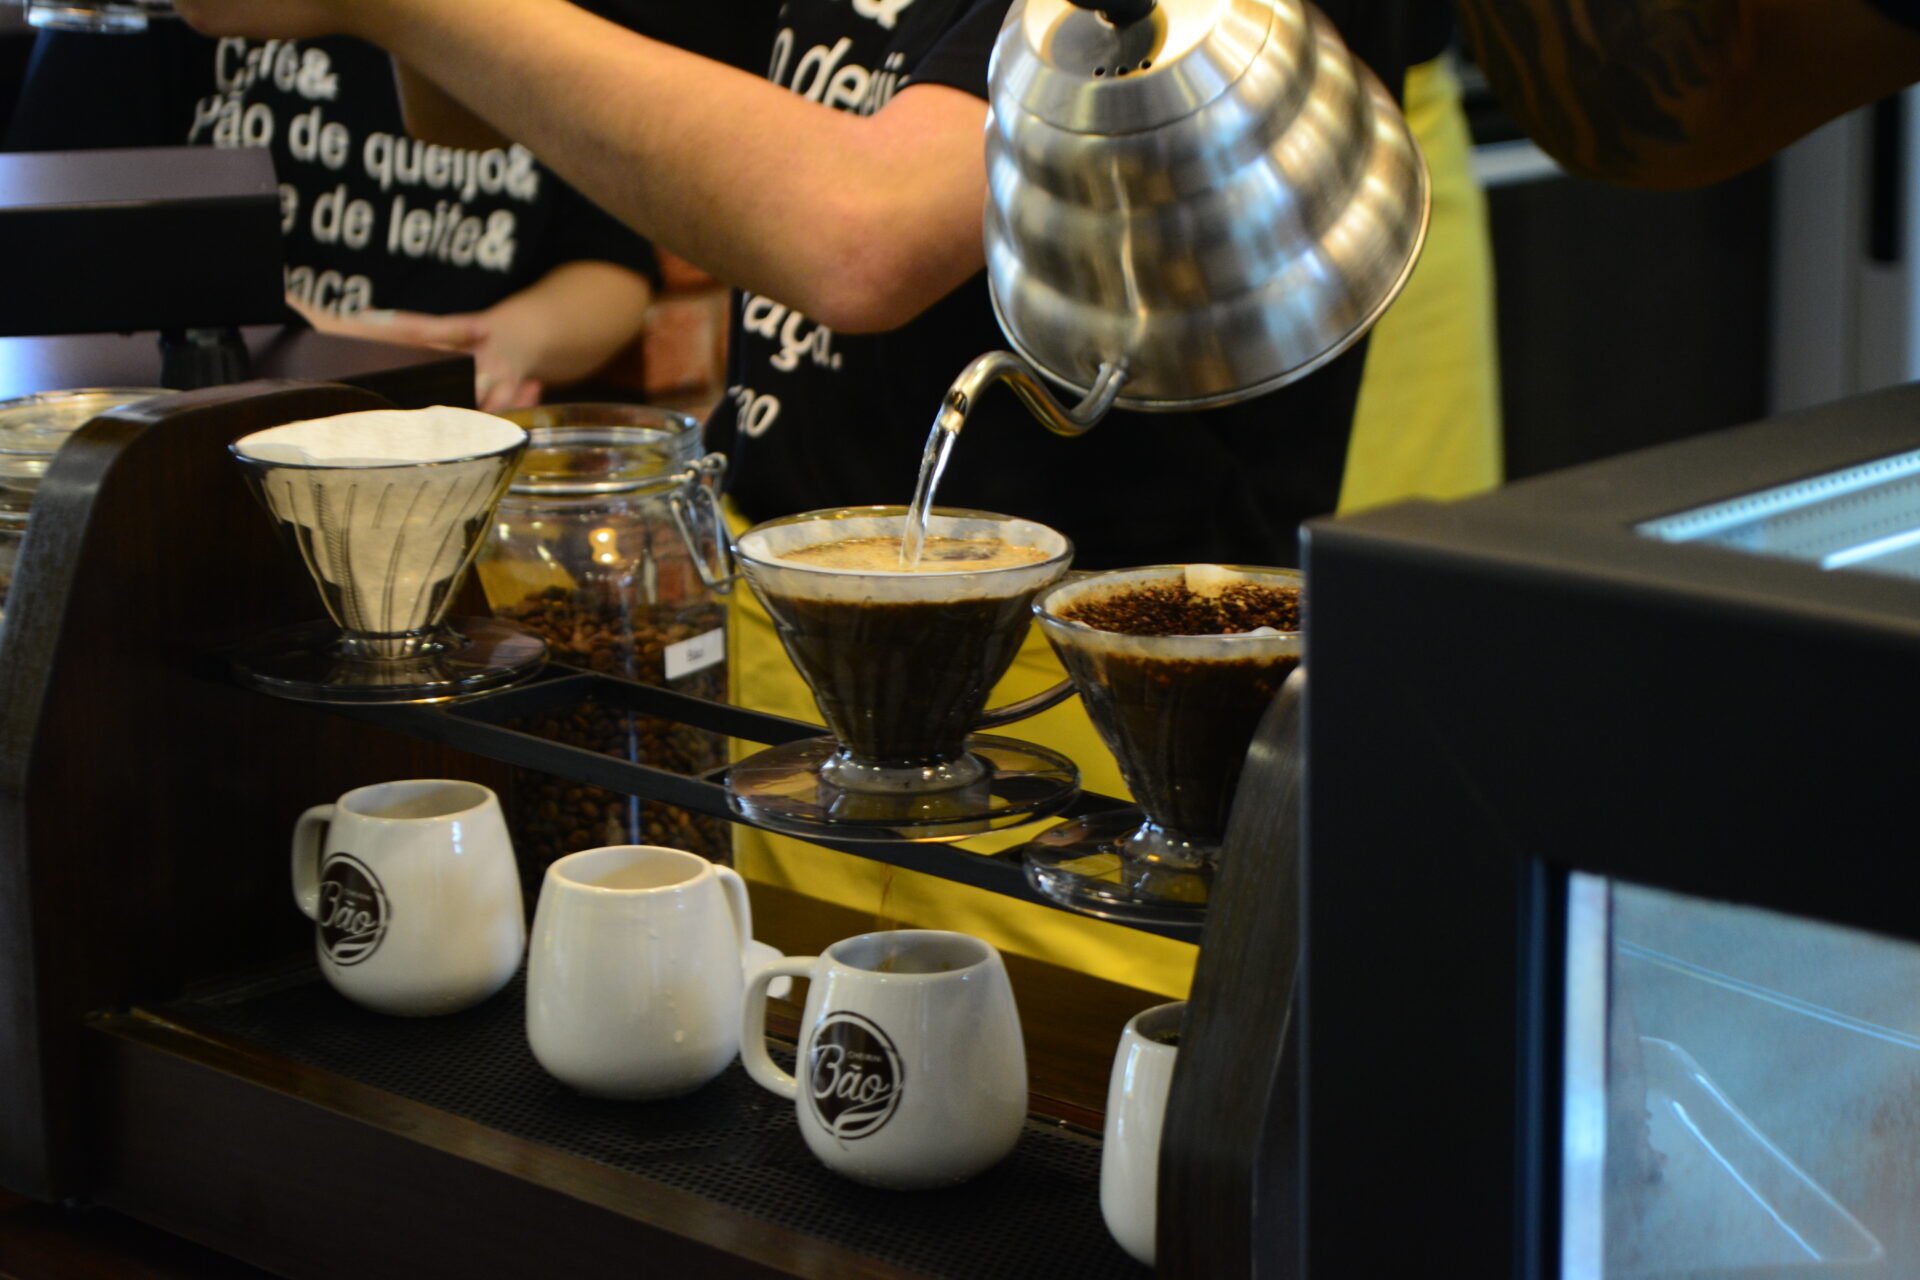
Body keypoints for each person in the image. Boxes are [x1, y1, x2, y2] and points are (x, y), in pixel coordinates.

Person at [163, 0, 1505, 995]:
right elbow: (461, 96)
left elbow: (862, 236)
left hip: (1093, 728)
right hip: (801, 661)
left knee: (1037, 1161)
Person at [7, 8, 767, 409]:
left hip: (444, 456)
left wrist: (503, 347)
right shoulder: (172, 13)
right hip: (189, 447)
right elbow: (59, 234)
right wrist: (315, 339)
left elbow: (612, 263)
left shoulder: (546, 23)